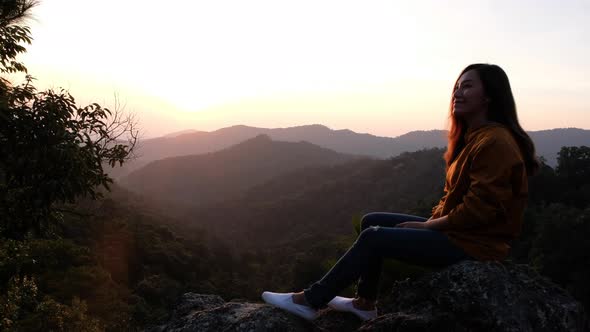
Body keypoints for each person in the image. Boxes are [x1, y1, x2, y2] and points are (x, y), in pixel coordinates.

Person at [261, 63, 539, 321]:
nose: (457, 92)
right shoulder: (475, 137)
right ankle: (364, 304)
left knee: (374, 237)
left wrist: (429, 226)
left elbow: (479, 210)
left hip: (475, 245)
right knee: (372, 221)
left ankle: (310, 301)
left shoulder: (495, 142)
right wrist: (429, 226)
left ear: (489, 96)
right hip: (458, 233)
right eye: (456, 86)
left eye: (467, 86)